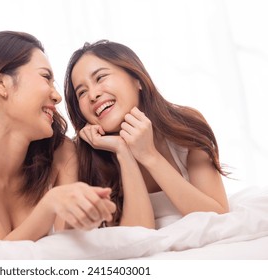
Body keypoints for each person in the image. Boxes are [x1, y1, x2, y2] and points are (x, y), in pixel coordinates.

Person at [0, 31, 116, 241]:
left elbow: (67, 248)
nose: (57, 97)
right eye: (46, 77)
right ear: (0, 83)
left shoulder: (62, 152)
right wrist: (50, 204)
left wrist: (87, 219)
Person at [64, 40, 229, 228]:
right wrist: (123, 151)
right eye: (82, 92)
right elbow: (137, 236)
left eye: (100, 78)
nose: (93, 95)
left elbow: (218, 216)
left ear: (138, 80)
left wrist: (148, 155)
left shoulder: (185, 124)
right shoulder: (83, 155)